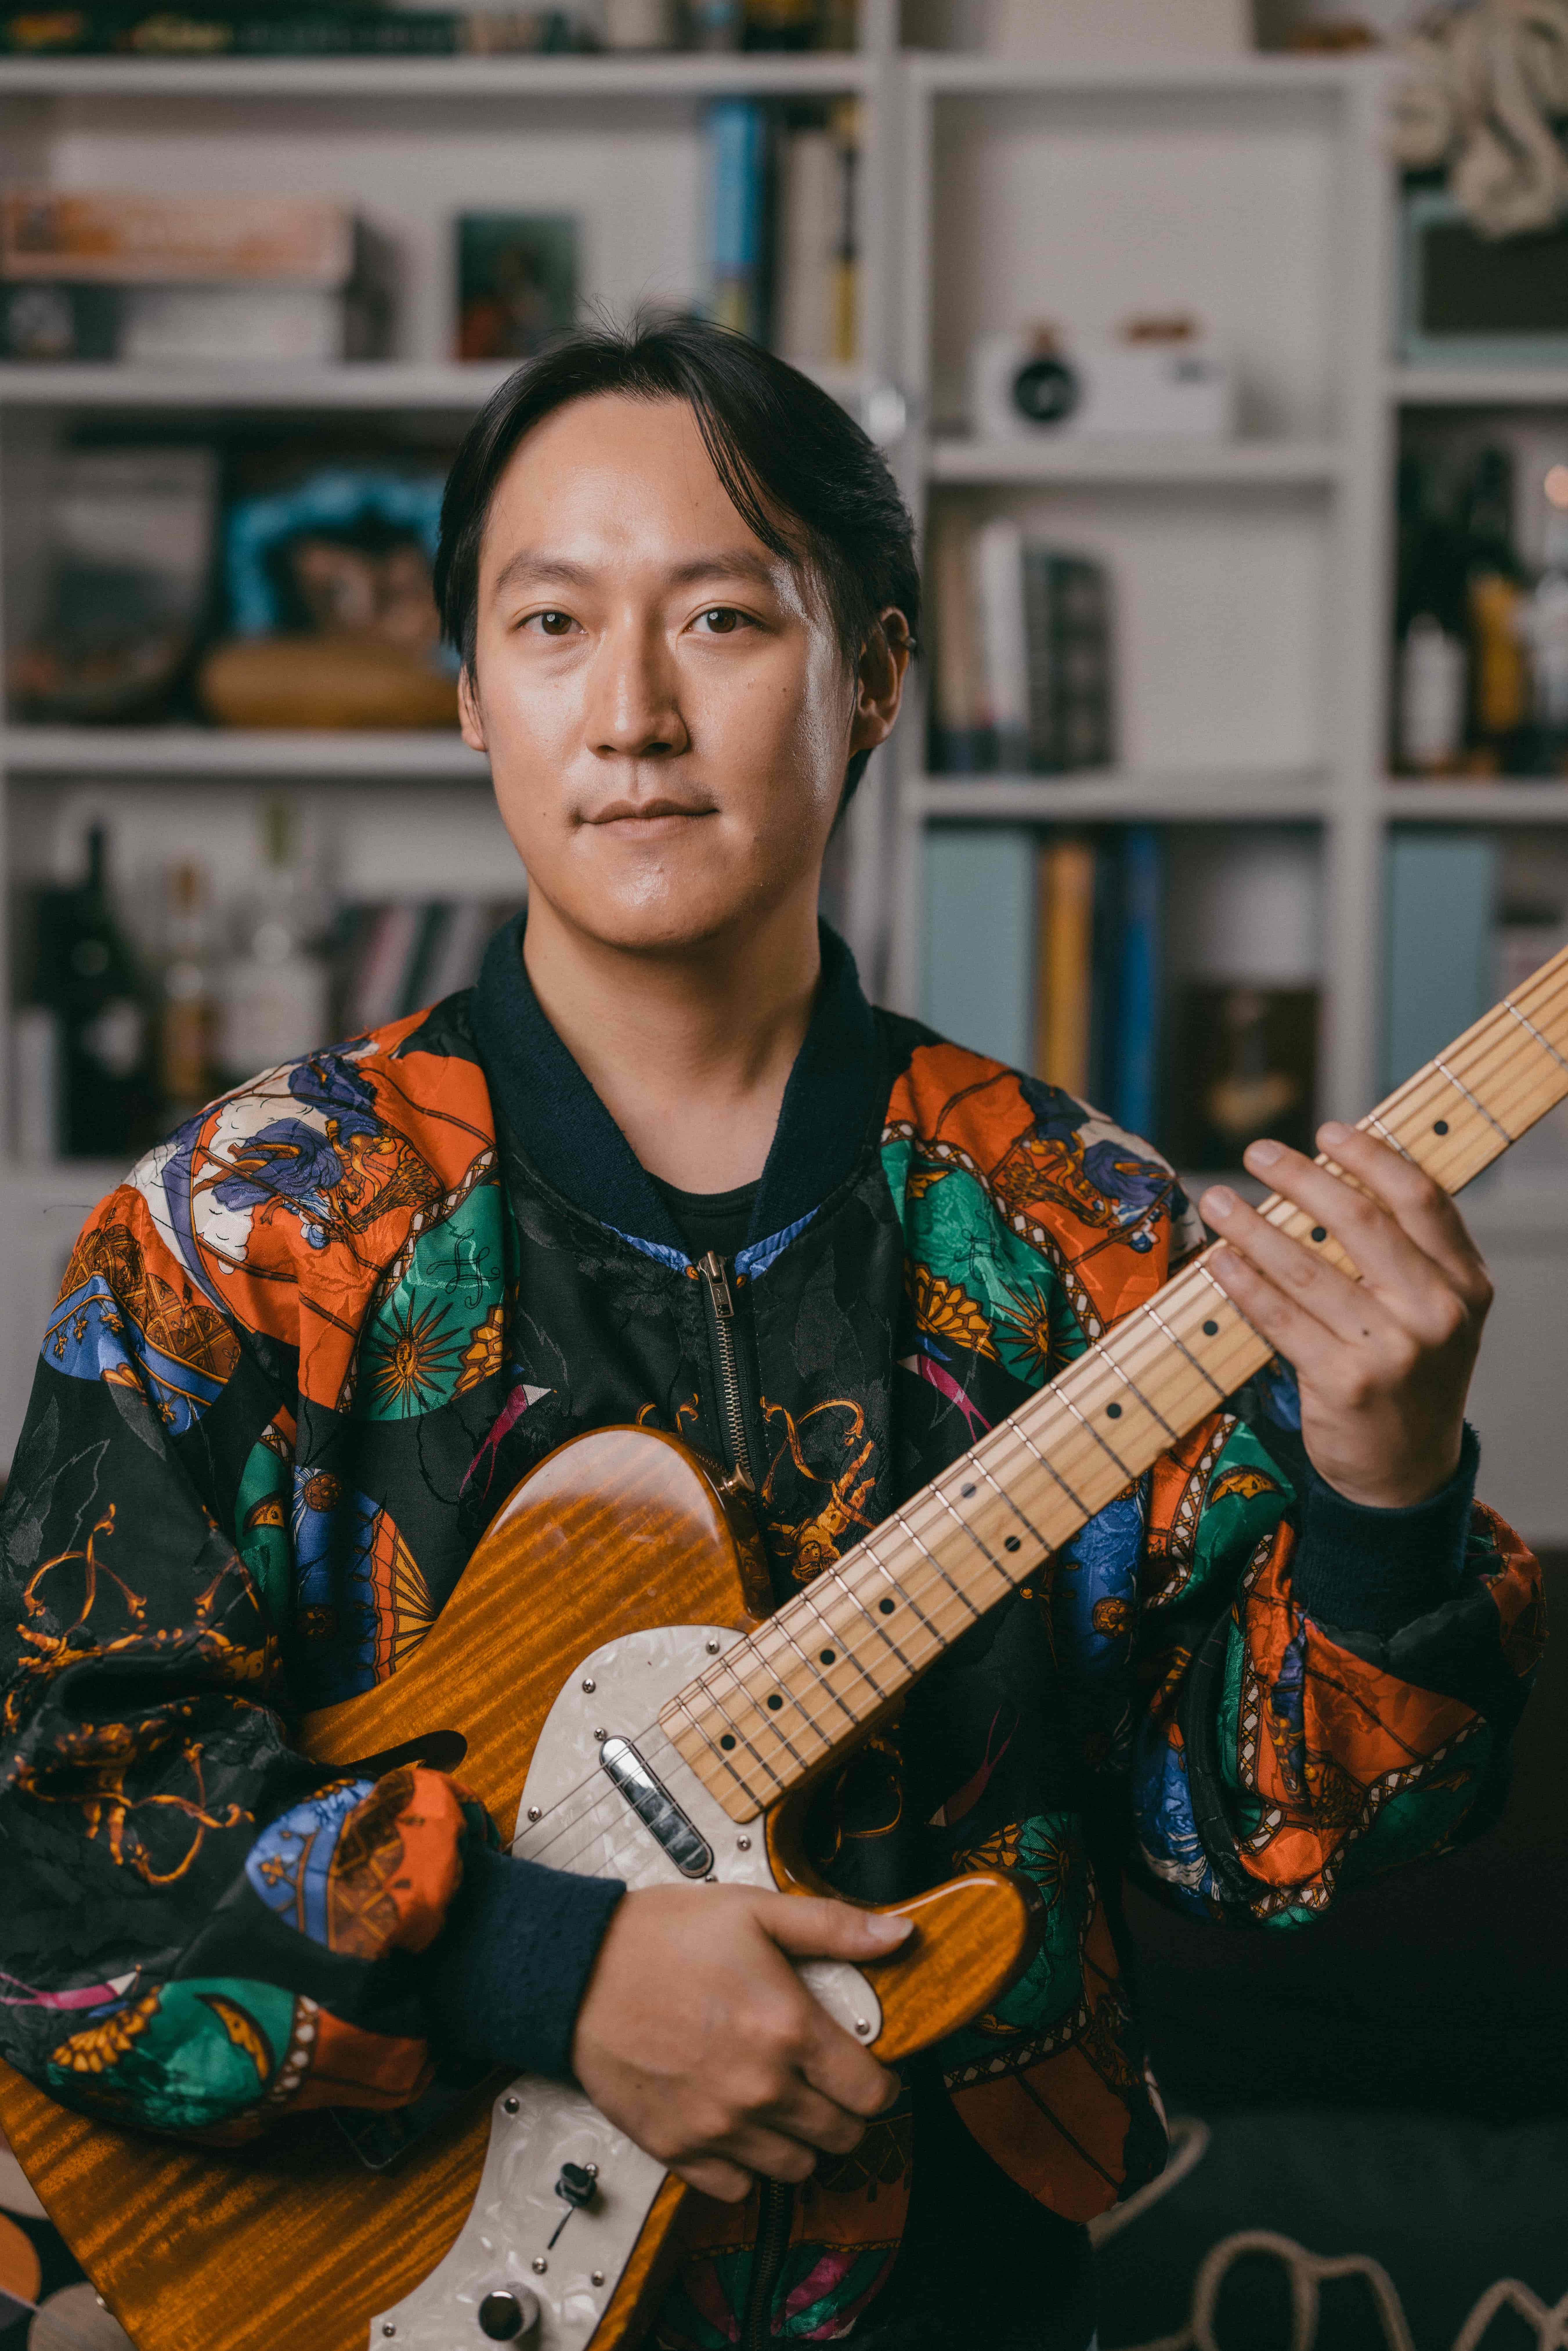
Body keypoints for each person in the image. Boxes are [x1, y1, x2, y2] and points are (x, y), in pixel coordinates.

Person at [0, 318, 1543, 2351]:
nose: (631, 713)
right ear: (470, 693)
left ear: (877, 674)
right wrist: (550, 1967)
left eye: (722, 618)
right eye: (551, 623)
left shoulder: (1078, 1230)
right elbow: (63, 1826)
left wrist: (1387, 1485)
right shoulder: (247, 1222)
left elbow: (1261, 1846)